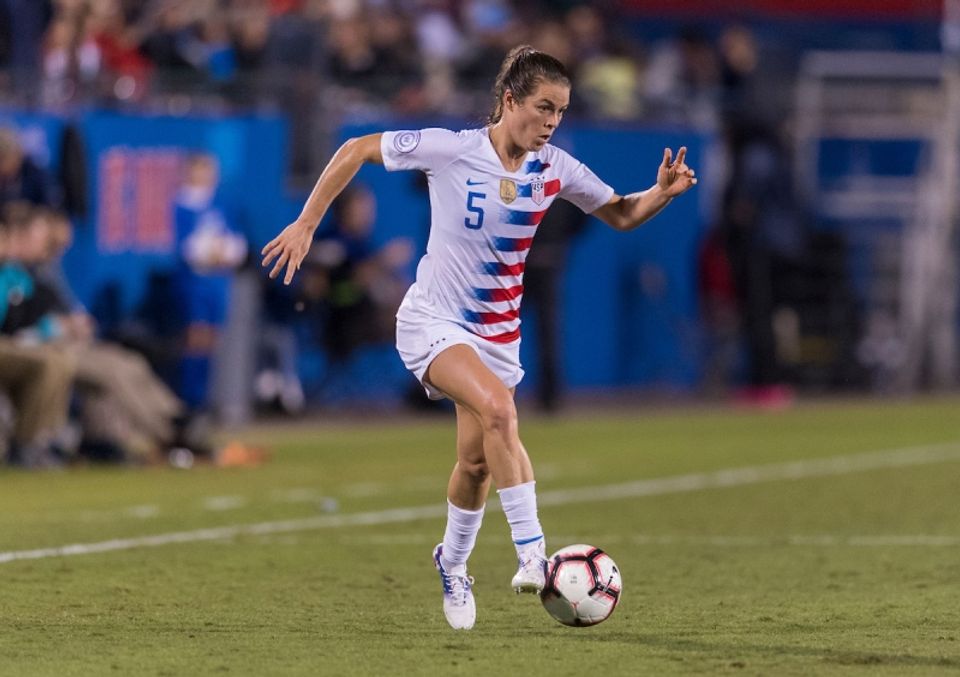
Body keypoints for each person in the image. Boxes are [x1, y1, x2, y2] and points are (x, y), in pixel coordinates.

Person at [261, 45, 697, 630]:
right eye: (543, 107)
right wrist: (307, 223)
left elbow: (618, 213)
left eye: (561, 112)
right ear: (510, 99)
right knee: (497, 411)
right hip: (432, 323)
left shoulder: (557, 169)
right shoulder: (454, 149)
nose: (551, 121)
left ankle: (453, 561)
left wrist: (660, 195)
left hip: (499, 338)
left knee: (475, 466)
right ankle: (534, 557)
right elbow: (355, 149)